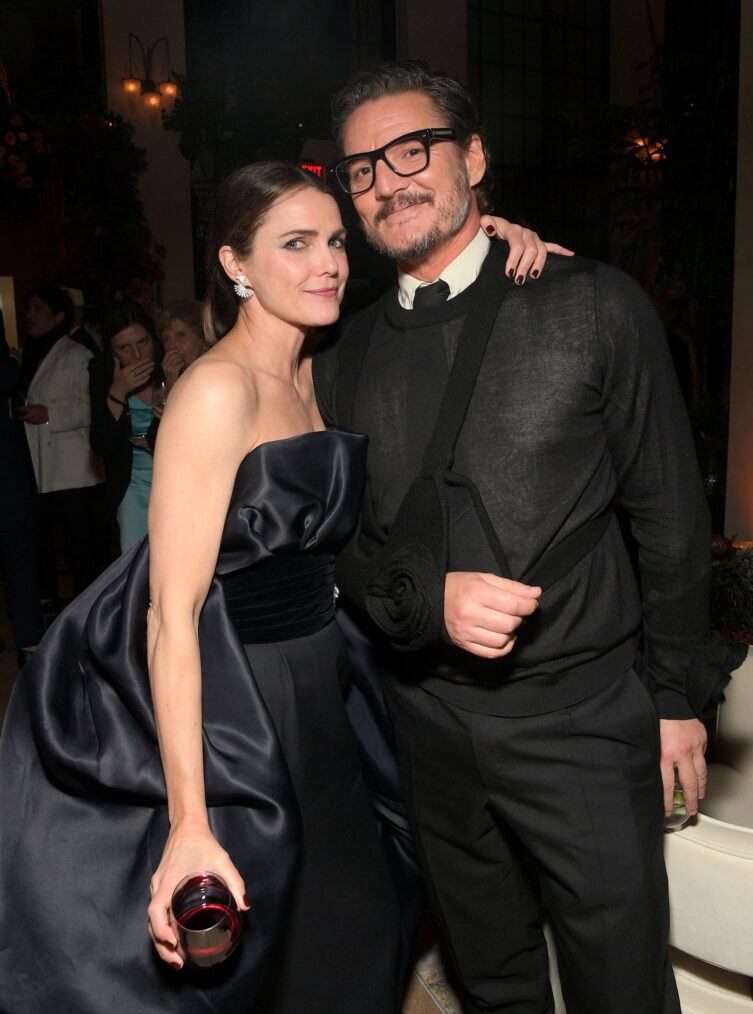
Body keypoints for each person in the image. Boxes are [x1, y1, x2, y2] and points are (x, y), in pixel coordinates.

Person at [313, 61, 746, 1014]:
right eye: (361, 169)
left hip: (582, 719)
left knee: (619, 985)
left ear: (472, 157)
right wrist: (429, 603)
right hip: (425, 722)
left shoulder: (591, 305)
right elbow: (338, 545)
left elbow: (670, 515)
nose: (388, 180)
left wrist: (675, 695)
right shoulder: (341, 356)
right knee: (491, 975)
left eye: (411, 150)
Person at [16, 284, 107, 599]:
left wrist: (49, 413)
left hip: (72, 467)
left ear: (59, 315)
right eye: (28, 309)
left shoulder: (77, 354)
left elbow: (91, 407)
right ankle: (50, 603)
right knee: (43, 542)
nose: (30, 316)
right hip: (38, 464)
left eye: (38, 309)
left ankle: (86, 607)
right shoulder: (27, 354)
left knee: (78, 545)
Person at [89, 300, 165, 552]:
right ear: (111, 352)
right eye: (124, 348)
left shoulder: (172, 368)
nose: (137, 355)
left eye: (143, 342)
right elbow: (102, 444)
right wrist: (118, 390)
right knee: (135, 564)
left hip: (177, 479)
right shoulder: (103, 374)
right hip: (132, 485)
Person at [156, 299, 209, 390]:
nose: (172, 346)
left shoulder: (214, 374)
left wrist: (174, 384)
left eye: (181, 336)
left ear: (204, 341)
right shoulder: (162, 380)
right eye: (167, 339)